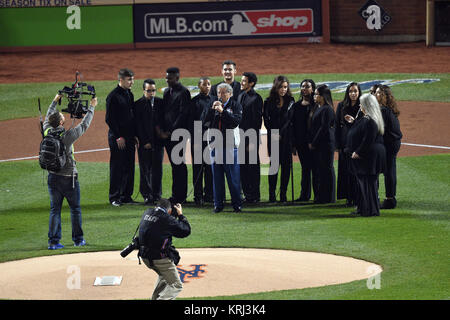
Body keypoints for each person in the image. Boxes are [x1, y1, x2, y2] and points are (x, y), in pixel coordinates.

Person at [43, 93, 97, 250]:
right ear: (61, 122)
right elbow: (84, 125)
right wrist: (92, 107)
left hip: (53, 177)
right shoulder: (68, 136)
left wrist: (54, 101)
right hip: (69, 179)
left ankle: (53, 242)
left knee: (55, 210)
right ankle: (78, 240)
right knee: (75, 209)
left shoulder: (46, 131)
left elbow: (48, 116)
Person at [138, 199, 191, 300]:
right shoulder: (168, 220)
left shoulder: (147, 212)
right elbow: (185, 230)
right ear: (170, 210)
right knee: (176, 285)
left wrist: (171, 218)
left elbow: (158, 224)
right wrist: (180, 215)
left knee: (165, 277)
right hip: (160, 259)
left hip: (145, 256)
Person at [345, 93, 386, 217]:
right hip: (368, 156)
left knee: (368, 184)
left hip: (368, 157)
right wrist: (352, 122)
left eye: (362, 104)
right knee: (364, 183)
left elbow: (368, 140)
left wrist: (358, 152)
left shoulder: (370, 120)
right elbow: (360, 132)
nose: (359, 105)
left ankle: (370, 210)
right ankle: (364, 208)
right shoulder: (367, 118)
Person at [204, 83, 243, 213]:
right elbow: (205, 122)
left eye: (224, 92)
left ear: (230, 94)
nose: (220, 95)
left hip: (230, 147)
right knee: (217, 177)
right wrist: (211, 110)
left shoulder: (236, 105)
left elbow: (234, 122)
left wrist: (222, 112)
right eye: (219, 92)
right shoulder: (213, 105)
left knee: (233, 178)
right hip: (215, 147)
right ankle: (218, 204)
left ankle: (237, 204)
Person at [105, 68, 137, 207]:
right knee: (117, 167)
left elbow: (131, 117)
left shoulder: (129, 94)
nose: (132, 82)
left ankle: (126, 196)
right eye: (129, 79)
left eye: (132, 79)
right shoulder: (113, 96)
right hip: (118, 138)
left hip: (129, 137)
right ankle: (114, 197)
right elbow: (109, 119)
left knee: (129, 166)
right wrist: (118, 137)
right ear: (121, 80)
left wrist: (134, 135)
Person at [159, 67, 191, 204]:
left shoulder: (184, 92)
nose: (167, 80)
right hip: (167, 136)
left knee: (179, 165)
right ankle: (175, 195)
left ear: (177, 78)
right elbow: (164, 112)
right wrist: (162, 131)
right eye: (166, 77)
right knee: (174, 165)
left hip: (178, 135)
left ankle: (181, 196)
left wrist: (171, 131)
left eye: (170, 78)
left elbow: (183, 114)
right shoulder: (167, 92)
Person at [263, 75, 295, 202]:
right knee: (274, 167)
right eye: (281, 87)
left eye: (286, 87)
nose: (283, 89)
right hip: (273, 137)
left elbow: (289, 120)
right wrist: (274, 133)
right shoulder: (268, 101)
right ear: (276, 87)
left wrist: (281, 133)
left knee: (286, 167)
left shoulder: (291, 101)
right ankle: (272, 194)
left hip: (286, 138)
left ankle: (283, 194)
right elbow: (266, 119)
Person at [134, 79, 165, 205]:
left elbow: (163, 122)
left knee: (157, 169)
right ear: (143, 90)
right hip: (144, 143)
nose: (151, 93)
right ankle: (147, 195)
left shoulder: (160, 103)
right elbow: (137, 125)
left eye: (153, 90)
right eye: (148, 91)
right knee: (145, 169)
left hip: (158, 143)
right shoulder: (137, 105)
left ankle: (157, 194)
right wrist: (144, 141)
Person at [189, 77, 216, 205]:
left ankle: (209, 195)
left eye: (209, 84)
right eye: (204, 84)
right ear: (199, 86)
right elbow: (191, 122)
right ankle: (197, 196)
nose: (207, 86)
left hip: (212, 139)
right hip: (199, 140)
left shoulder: (215, 100)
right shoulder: (194, 102)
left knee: (210, 168)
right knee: (198, 169)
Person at [375, 85, 403, 209]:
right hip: (393, 141)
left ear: (384, 96)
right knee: (389, 170)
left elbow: (379, 129)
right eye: (376, 93)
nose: (376, 95)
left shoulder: (384, 110)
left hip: (390, 143)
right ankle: (390, 198)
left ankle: (390, 199)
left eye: (379, 93)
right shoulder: (388, 108)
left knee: (388, 171)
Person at [238, 72, 263, 204]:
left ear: (251, 83)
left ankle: (254, 195)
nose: (241, 83)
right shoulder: (240, 95)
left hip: (250, 138)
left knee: (252, 167)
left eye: (244, 81)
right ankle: (247, 195)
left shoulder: (256, 98)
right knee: (243, 167)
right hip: (240, 138)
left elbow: (257, 121)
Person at [335, 82, 362, 207]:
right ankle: (348, 197)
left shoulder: (362, 106)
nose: (353, 93)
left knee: (356, 172)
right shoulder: (341, 105)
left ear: (359, 92)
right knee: (346, 172)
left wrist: (354, 121)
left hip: (357, 144)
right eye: (351, 91)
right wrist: (337, 144)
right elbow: (337, 126)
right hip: (345, 143)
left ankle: (357, 197)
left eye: (355, 91)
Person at [308, 84, 336, 204]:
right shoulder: (318, 107)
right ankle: (321, 196)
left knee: (326, 169)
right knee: (320, 170)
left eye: (317, 94)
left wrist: (314, 142)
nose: (314, 96)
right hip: (320, 144)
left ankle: (328, 197)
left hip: (325, 144)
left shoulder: (327, 109)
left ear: (323, 96)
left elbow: (324, 128)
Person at [292, 79, 317, 202]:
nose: (304, 89)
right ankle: (305, 195)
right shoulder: (296, 106)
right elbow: (294, 126)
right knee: (305, 169)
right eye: (302, 86)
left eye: (307, 86)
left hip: (314, 143)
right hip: (301, 143)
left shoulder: (316, 106)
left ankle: (318, 194)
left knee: (316, 169)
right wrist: (294, 144)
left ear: (312, 89)